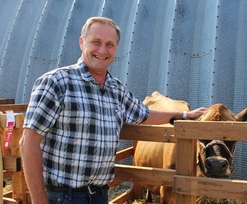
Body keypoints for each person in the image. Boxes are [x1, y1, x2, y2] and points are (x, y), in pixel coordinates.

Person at [19, 16, 207, 204]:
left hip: (99, 195)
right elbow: (28, 143)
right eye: (96, 42)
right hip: (62, 196)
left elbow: (145, 114)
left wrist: (184, 114)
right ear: (82, 42)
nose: (102, 50)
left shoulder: (115, 89)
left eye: (110, 44)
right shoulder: (56, 83)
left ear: (116, 49)